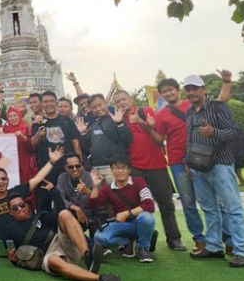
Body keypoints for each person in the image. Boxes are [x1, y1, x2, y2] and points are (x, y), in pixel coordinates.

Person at [153, 74, 232, 253]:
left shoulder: (194, 104)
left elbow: (220, 102)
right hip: (177, 162)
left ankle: (227, 239)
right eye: (164, 91)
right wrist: (144, 125)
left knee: (215, 201)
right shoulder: (161, 115)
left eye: (171, 89)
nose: (168, 93)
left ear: (178, 90)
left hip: (204, 159)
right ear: (161, 95)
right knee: (188, 202)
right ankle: (199, 239)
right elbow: (158, 140)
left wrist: (226, 83)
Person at [183, 75, 244, 267]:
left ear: (204, 89)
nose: (191, 92)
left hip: (220, 164)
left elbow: (234, 132)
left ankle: (243, 250)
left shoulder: (218, 107)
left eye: (194, 88)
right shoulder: (189, 113)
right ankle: (213, 247)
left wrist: (215, 133)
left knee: (233, 208)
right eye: (188, 89)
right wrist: (187, 162)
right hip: (198, 167)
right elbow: (189, 138)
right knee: (209, 209)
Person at [2, 186, 120, 281]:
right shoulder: (9, 229)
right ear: (10, 212)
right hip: (47, 253)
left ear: (26, 205)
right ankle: (100, 279)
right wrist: (13, 260)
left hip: (61, 240)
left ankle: (87, 256)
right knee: (54, 261)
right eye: (15, 208)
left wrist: (55, 192)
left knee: (64, 214)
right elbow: (13, 253)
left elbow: (60, 212)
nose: (20, 209)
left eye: (22, 205)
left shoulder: (40, 216)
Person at [113, 90, 184, 251]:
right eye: (117, 102)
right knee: (136, 207)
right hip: (135, 168)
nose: (121, 103)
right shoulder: (118, 120)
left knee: (166, 204)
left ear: (131, 99)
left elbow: (158, 139)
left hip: (157, 166)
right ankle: (142, 241)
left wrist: (140, 121)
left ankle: (174, 239)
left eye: (123, 99)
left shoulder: (146, 112)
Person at [89, 155, 158, 263]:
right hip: (121, 225)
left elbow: (149, 205)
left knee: (147, 218)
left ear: (129, 170)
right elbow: (93, 204)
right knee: (99, 237)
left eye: (123, 167)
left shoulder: (139, 181)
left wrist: (127, 213)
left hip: (138, 221)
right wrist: (94, 186)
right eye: (116, 168)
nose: (120, 171)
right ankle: (129, 241)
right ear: (111, 170)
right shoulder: (107, 188)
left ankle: (143, 248)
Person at [76, 94, 132, 184]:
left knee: (117, 195)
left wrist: (119, 123)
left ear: (105, 103)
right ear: (90, 109)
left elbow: (128, 140)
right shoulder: (94, 125)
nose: (98, 109)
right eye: (94, 107)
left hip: (113, 168)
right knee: (101, 197)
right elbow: (86, 146)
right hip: (96, 169)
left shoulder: (116, 118)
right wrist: (83, 133)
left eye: (100, 105)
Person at [31, 91, 81, 184]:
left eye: (51, 101)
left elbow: (76, 143)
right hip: (47, 168)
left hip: (67, 167)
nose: (49, 104)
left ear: (56, 103)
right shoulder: (39, 122)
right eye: (45, 102)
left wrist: (79, 164)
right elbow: (32, 144)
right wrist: (39, 135)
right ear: (42, 104)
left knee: (71, 195)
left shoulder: (66, 120)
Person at [56, 153, 100, 233]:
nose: (75, 169)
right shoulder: (62, 178)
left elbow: (100, 201)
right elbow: (59, 198)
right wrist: (76, 208)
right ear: (66, 168)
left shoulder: (91, 177)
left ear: (82, 165)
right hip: (71, 217)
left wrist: (87, 192)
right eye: (71, 167)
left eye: (78, 166)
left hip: (91, 217)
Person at [2, 106, 37, 185]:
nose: (13, 118)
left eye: (15, 115)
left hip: (25, 162)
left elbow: (33, 146)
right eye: (10, 116)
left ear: (19, 116)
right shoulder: (5, 130)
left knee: (26, 183)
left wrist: (23, 137)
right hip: (10, 162)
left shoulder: (27, 129)